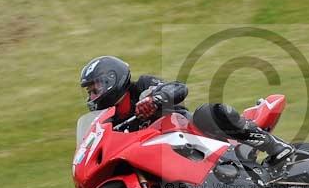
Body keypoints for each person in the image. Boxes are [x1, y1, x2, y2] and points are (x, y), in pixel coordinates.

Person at [79, 56, 295, 164]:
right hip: (165, 158)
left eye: (94, 88)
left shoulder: (143, 85)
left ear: (111, 79)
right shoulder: (111, 120)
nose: (91, 96)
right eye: (89, 91)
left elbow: (179, 87)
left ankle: (276, 146)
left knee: (207, 113)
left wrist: (156, 99)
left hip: (190, 133)